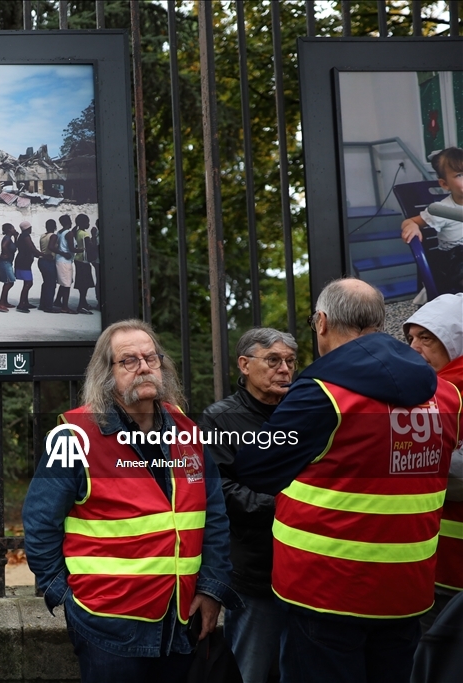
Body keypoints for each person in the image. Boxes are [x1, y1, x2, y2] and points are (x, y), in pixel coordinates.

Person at [233, 278, 462, 683]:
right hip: (407, 589)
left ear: (321, 322)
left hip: (327, 589)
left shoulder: (324, 393)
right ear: (380, 320)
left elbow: (255, 468)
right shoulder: (446, 396)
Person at [23, 319, 237, 683]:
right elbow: (39, 523)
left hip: (178, 621)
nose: (143, 367)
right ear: (106, 373)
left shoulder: (188, 432)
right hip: (107, 628)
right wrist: (65, 597)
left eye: (151, 358)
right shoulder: (74, 437)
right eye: (128, 360)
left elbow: (213, 516)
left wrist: (211, 588)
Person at [199, 327, 298, 683]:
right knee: (250, 670)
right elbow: (218, 489)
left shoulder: (305, 412)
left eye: (289, 361)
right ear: (244, 364)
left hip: (307, 568)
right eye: (272, 360)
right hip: (256, 569)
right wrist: (284, 507)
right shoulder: (219, 419)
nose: (284, 369)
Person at [403, 292, 463, 631]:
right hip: (434, 565)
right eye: (411, 338)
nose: (414, 348)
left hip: (446, 573)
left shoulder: (446, 391)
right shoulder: (429, 388)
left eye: (427, 338)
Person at [401, 147, 463, 295]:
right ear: (444, 184)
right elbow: (410, 221)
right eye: (460, 175)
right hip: (455, 261)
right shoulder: (443, 210)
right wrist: (412, 226)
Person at [13, 220, 40, 313]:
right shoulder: (25, 236)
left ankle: (25, 301)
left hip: (23, 261)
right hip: (24, 262)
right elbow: (31, 247)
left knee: (27, 282)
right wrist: (41, 254)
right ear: (28, 228)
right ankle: (21, 304)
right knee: (28, 283)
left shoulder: (22, 236)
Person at [53, 215, 77, 315]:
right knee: (67, 284)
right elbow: (71, 248)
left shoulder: (59, 232)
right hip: (65, 261)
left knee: (64, 282)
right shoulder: (69, 233)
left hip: (59, 260)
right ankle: (65, 307)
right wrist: (82, 250)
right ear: (68, 222)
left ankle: (58, 300)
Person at [73, 214, 95, 314]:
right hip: (84, 260)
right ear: (82, 223)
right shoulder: (85, 235)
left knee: (81, 282)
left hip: (77, 259)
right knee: (84, 284)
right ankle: (81, 305)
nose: (88, 224)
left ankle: (84, 303)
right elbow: (90, 247)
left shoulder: (77, 232)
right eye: (87, 222)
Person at [0, 223, 18, 313]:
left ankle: (4, 301)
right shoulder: (7, 238)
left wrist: (16, 237)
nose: (14, 229)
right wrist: (7, 254)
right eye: (13, 228)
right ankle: (1, 302)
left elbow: (15, 248)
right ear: (9, 230)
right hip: (5, 262)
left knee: (8, 282)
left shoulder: (10, 239)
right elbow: (4, 246)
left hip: (7, 262)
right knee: (9, 282)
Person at [37, 219, 59, 313]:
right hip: (49, 261)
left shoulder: (43, 236)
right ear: (54, 227)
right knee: (51, 284)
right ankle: (49, 306)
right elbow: (51, 247)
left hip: (42, 260)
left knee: (46, 283)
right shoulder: (53, 236)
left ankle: (43, 304)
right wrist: (62, 253)